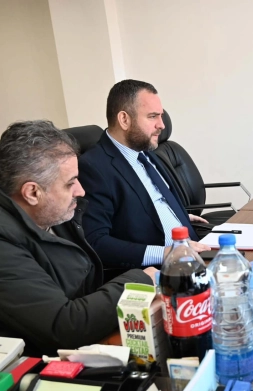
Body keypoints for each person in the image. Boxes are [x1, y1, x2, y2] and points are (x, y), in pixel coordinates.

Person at [0, 121, 156, 356]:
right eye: (70, 183)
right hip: (5, 367)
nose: (80, 191)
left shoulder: (43, 207)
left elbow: (81, 281)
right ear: (32, 192)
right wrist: (140, 282)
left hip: (56, 346)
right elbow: (65, 327)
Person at [78, 80, 210, 273]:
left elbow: (147, 203)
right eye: (152, 116)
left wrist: (178, 214)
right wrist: (165, 253)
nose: (161, 125)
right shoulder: (93, 167)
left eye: (161, 116)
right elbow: (96, 242)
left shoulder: (144, 152)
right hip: (159, 270)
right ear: (124, 119)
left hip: (195, 252)